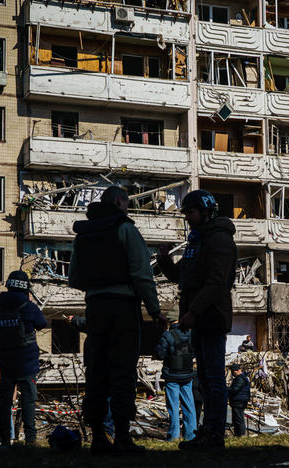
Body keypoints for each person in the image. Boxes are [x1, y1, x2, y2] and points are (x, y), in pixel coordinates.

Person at [68, 185, 166, 454]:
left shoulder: (84, 234)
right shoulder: (126, 229)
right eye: (127, 203)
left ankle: (99, 437)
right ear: (121, 203)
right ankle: (122, 437)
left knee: (96, 372)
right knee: (122, 371)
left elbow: (74, 278)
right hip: (123, 308)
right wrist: (155, 310)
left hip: (95, 308)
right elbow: (142, 275)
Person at [157, 190, 238, 450]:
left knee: (214, 378)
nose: (187, 218)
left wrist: (193, 312)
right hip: (198, 319)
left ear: (205, 211)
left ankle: (216, 434)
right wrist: (165, 261)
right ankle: (206, 431)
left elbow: (216, 283)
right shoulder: (198, 240)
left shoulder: (219, 240)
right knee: (203, 377)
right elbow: (184, 276)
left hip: (212, 317)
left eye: (190, 213)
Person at [0, 270, 47, 446]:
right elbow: (42, 324)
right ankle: (30, 438)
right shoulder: (28, 307)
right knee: (28, 399)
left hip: (6, 359)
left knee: (5, 399)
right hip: (27, 361)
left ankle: (4, 438)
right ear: (26, 289)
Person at [67, 315, 115, 439]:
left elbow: (94, 324)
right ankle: (106, 431)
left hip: (99, 362)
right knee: (105, 397)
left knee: (99, 397)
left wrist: (74, 320)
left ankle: (104, 432)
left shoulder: (104, 315)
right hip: (108, 361)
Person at [154, 320, 197, 442]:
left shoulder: (168, 335)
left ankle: (173, 435)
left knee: (173, 406)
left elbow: (160, 354)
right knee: (189, 406)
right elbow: (195, 352)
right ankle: (191, 435)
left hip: (172, 376)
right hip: (187, 375)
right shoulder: (191, 334)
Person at [228, 364, 250, 436]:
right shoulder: (241, 378)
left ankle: (241, 435)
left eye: (232, 371)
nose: (231, 373)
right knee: (236, 419)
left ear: (236, 371)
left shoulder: (240, 378)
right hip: (239, 401)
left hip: (239, 401)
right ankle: (238, 435)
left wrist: (225, 388)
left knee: (239, 419)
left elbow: (235, 389)